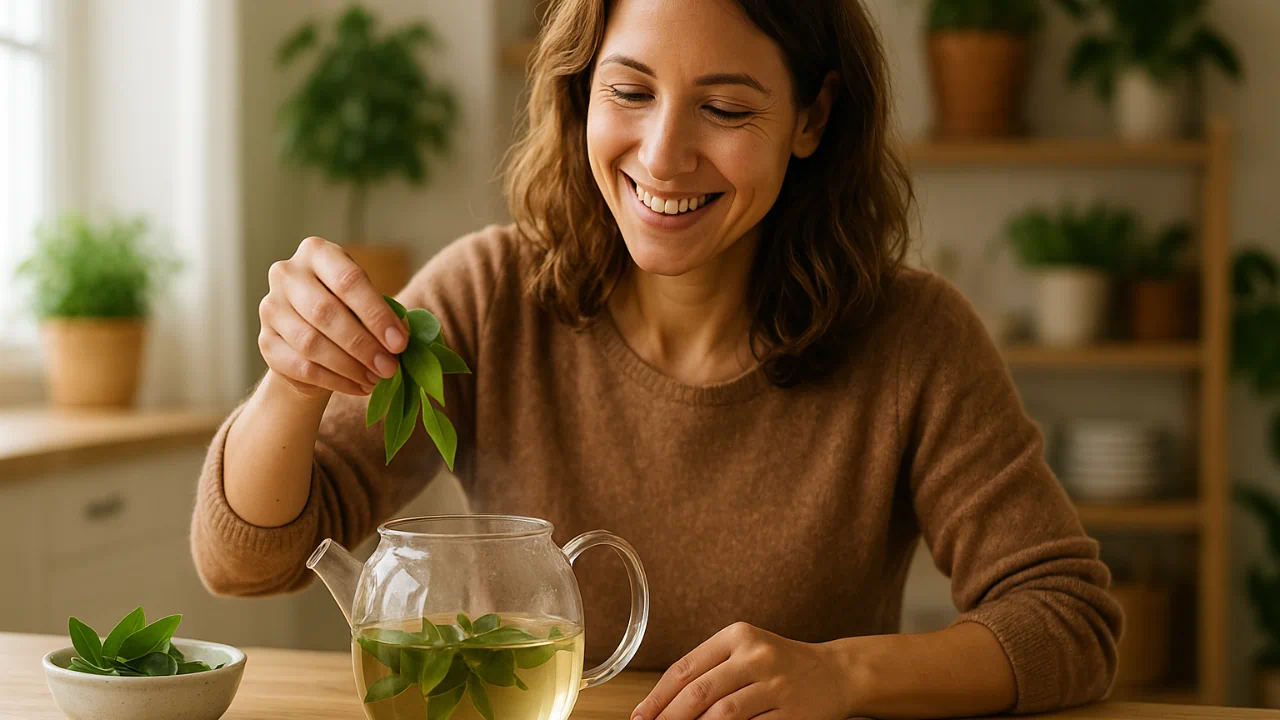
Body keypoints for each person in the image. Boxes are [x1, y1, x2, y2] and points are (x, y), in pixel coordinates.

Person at [191, 0, 1122, 717]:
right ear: (579, 90)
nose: (664, 155)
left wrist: (842, 674)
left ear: (811, 117)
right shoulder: (490, 295)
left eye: (723, 106)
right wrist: (293, 378)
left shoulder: (914, 338)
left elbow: (1066, 617)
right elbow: (246, 559)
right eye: (629, 92)